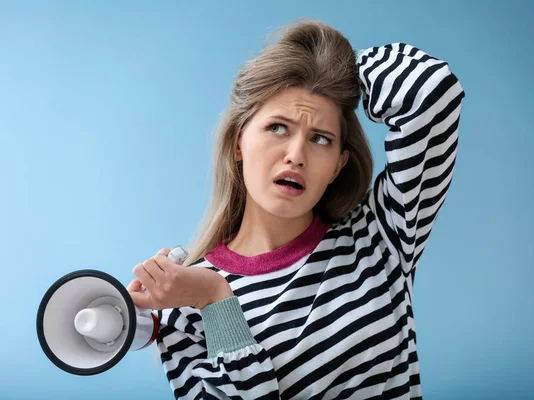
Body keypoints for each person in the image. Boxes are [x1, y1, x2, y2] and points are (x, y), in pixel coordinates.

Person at [127, 18, 465, 399]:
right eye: (278, 128)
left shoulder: (380, 235)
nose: (296, 155)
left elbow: (432, 91)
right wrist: (215, 300)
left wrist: (332, 66)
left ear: (338, 164)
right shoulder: (187, 295)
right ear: (239, 143)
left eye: (321, 138)